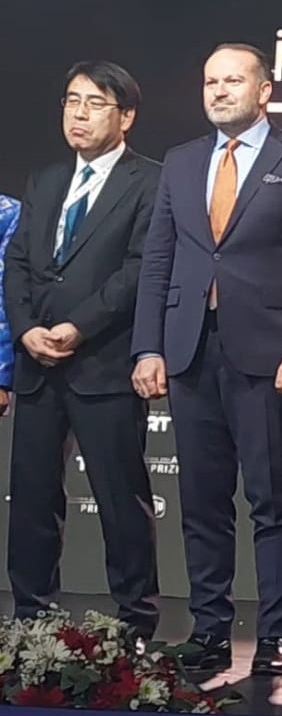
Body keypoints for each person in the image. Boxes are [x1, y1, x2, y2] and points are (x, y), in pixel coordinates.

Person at [132, 42, 282, 676]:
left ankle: (274, 637)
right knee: (201, 501)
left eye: (233, 81)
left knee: (273, 501)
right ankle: (210, 631)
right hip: (192, 348)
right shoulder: (181, 161)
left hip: (269, 355)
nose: (219, 91)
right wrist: (148, 345)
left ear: (264, 91)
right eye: (210, 82)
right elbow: (158, 261)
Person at [5, 62, 161, 637]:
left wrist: (78, 325)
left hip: (104, 361)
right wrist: (24, 329)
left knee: (121, 499)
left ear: (126, 117)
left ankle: (136, 624)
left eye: (96, 103)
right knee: (32, 498)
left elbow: (140, 269)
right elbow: (17, 263)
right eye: (73, 100)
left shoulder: (151, 182)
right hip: (37, 364)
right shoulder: (45, 180)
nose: (80, 113)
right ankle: (30, 621)